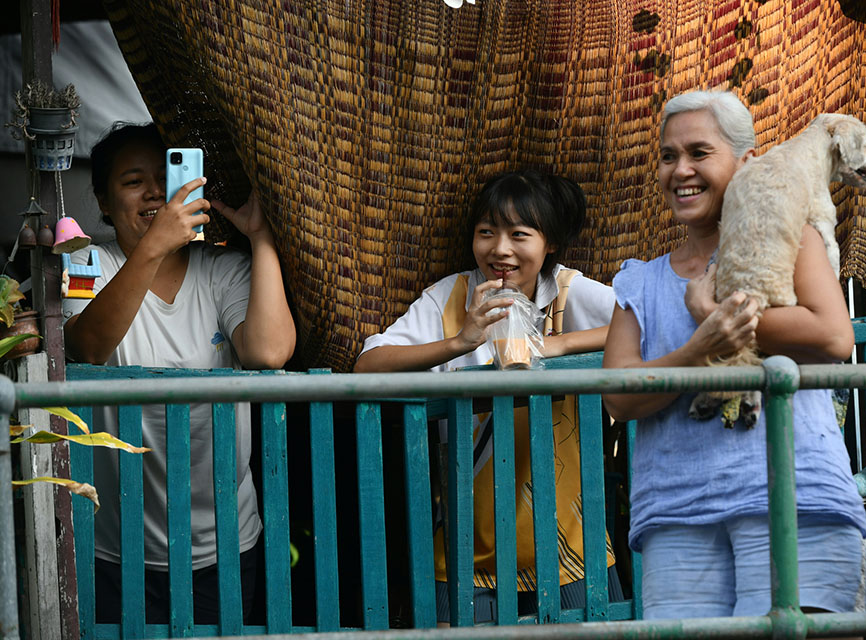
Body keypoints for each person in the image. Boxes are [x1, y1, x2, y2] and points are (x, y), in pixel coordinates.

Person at [601, 90, 866, 625]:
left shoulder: (793, 239)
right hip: (678, 516)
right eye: (668, 156)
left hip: (796, 499)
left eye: (699, 153)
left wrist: (713, 313)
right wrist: (700, 350)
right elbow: (618, 397)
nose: (681, 170)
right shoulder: (640, 282)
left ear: (747, 162)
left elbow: (834, 336)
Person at [355, 169, 622, 622]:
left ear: (550, 243)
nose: (500, 249)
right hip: (464, 548)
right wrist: (459, 341)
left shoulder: (564, 293)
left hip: (571, 544)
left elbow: (646, 322)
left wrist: (559, 344)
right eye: (486, 232)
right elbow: (368, 366)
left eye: (519, 234)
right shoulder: (450, 297)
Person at [62, 122, 297, 624]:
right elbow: (87, 347)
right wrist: (154, 245)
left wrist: (260, 237)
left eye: (164, 178)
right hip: (116, 544)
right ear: (103, 201)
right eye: (133, 181)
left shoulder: (222, 269)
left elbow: (269, 352)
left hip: (225, 542)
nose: (153, 192)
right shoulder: (87, 263)